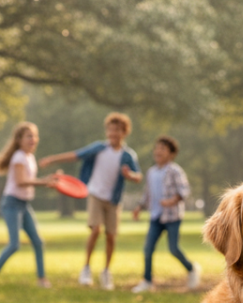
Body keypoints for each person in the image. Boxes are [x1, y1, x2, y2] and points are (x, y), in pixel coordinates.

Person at [40, 112, 142, 290]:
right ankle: (86, 268)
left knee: (110, 236)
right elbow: (76, 155)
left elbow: (138, 176)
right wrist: (52, 159)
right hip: (95, 193)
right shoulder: (99, 148)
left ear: (124, 132)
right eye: (110, 130)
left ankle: (106, 272)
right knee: (95, 230)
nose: (112, 134)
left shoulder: (128, 155)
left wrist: (129, 175)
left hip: (113, 199)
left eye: (116, 131)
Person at [0, 121, 60, 290]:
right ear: (19, 139)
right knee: (14, 244)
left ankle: (41, 279)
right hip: (11, 203)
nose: (33, 139)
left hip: (24, 205)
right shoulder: (18, 157)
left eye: (35, 135)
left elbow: (29, 180)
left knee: (38, 242)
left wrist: (49, 179)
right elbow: (21, 181)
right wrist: (44, 182)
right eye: (29, 136)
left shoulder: (30, 158)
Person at [131, 136, 200, 293]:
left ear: (171, 154)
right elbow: (147, 194)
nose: (158, 151)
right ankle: (147, 281)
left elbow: (184, 191)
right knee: (148, 249)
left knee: (173, 248)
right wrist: (139, 207)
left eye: (163, 149)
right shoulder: (151, 172)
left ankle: (191, 269)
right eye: (157, 148)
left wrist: (172, 201)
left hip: (172, 217)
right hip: (156, 216)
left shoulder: (175, 170)